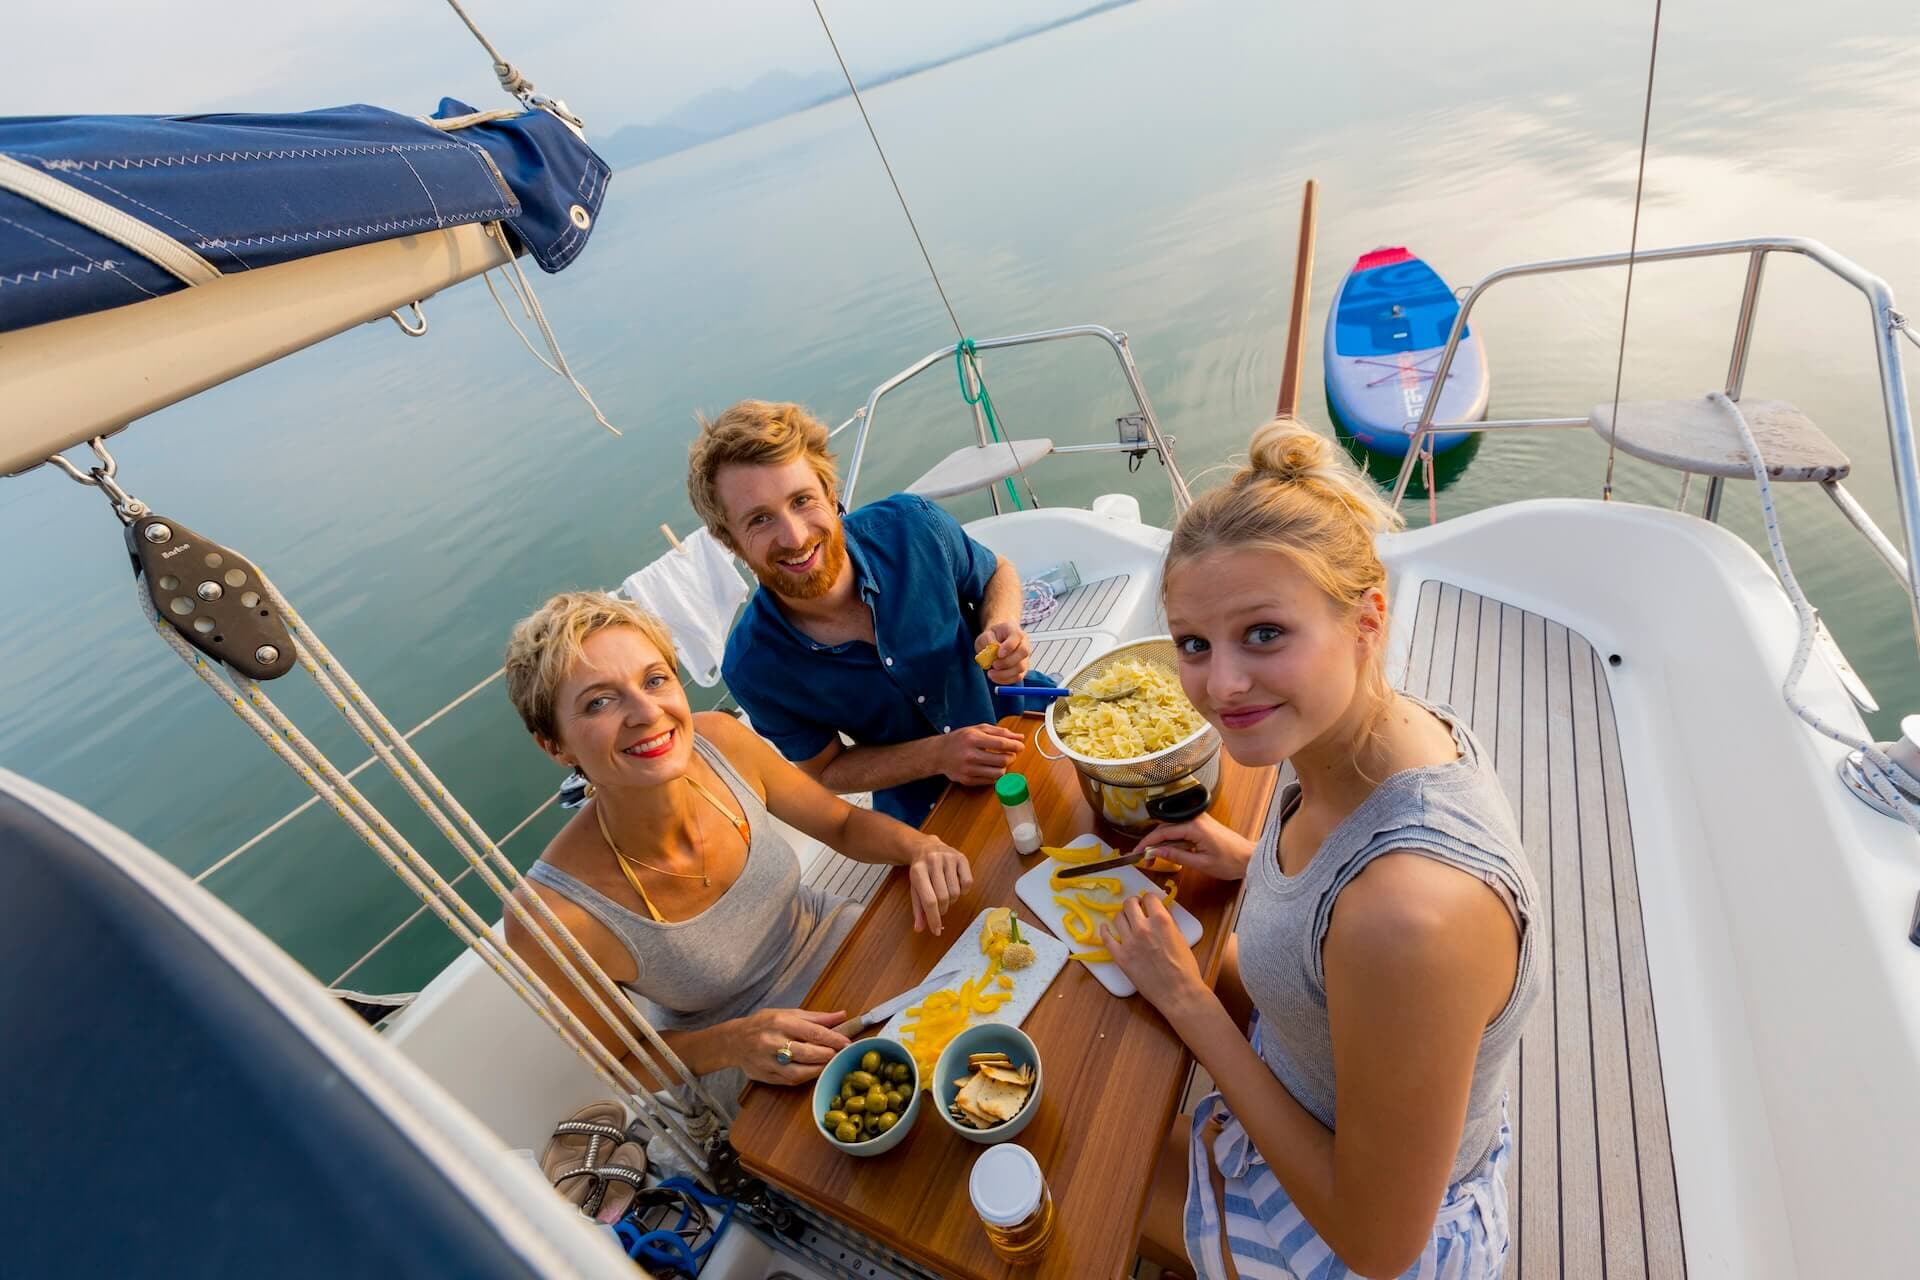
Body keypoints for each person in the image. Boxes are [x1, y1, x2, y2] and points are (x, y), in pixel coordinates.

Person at [1107, 419, 1542, 1279]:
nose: (1220, 686)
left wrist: (1189, 1002)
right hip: (1326, 1088)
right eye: (1194, 643)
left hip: (1368, 1230)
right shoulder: (1359, 739)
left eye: (1263, 633)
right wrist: (1247, 859)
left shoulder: (1406, 918)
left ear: (1366, 620)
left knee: (1088, 1176)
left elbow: (1380, 1246)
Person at [500, 591, 973, 1110]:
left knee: (990, 1023)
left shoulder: (722, 739)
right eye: (599, 702)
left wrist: (919, 846)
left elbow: (840, 823)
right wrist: (734, 1043)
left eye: (655, 680)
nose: (645, 712)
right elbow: (624, 1060)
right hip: (747, 1059)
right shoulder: (550, 915)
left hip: (848, 947)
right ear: (555, 745)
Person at [687, 399, 1047, 828]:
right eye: (761, 519)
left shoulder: (913, 524)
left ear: (830, 493)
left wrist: (998, 624)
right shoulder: (753, 667)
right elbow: (825, 769)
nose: (795, 536)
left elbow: (996, 574)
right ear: (730, 541)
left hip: (1031, 717)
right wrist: (938, 755)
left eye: (802, 500)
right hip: (926, 799)